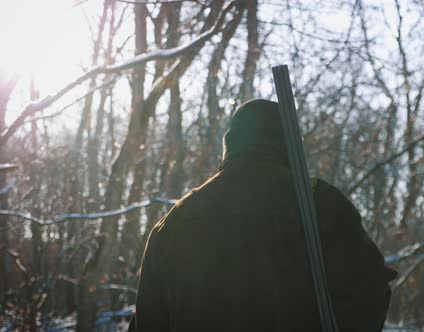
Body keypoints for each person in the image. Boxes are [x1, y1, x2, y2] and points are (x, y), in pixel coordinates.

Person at [130, 99, 396, 331]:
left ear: (231, 144)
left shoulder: (178, 220)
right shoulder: (320, 202)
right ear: (288, 143)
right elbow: (369, 293)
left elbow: (149, 322)